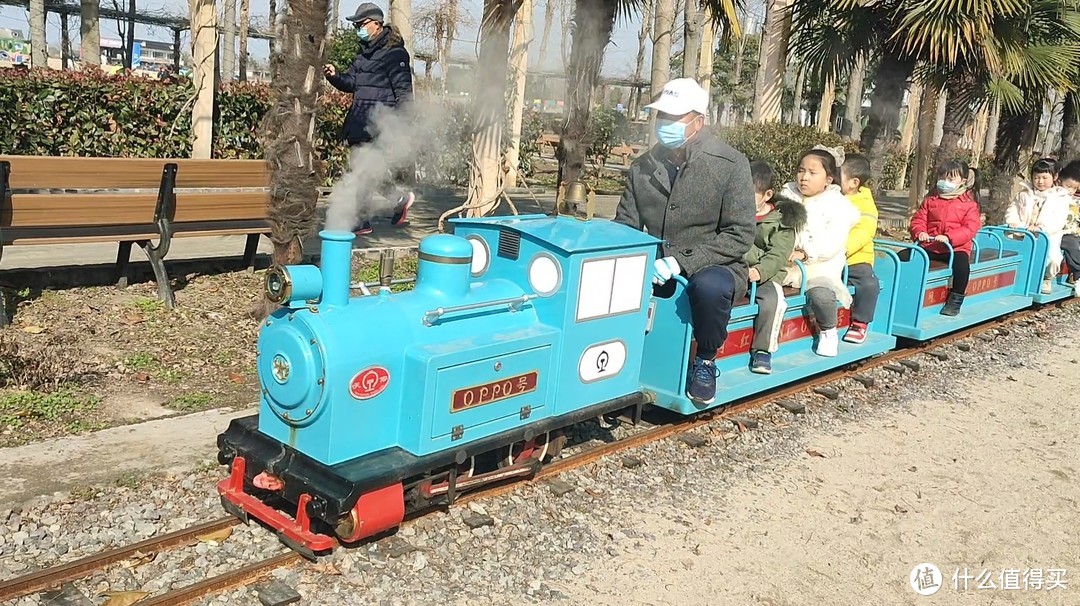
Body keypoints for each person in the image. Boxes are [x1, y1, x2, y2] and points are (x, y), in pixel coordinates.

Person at [613, 78, 756, 405]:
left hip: (715, 263)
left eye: (673, 117)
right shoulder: (643, 167)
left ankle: (705, 359)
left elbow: (740, 234)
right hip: (656, 263)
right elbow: (626, 224)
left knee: (709, 288)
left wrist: (682, 261)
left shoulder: (730, 165)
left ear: (697, 122)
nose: (664, 124)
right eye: (661, 115)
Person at [323, 2, 415, 236]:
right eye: (356, 26)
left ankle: (360, 221)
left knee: (363, 172)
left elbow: (404, 93)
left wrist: (401, 126)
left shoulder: (395, 54)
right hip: (359, 123)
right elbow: (351, 83)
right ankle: (399, 198)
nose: (358, 29)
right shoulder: (363, 56)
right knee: (365, 171)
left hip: (380, 125)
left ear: (376, 23)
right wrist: (335, 77)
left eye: (361, 24)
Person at [778, 147, 860, 357]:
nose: (804, 177)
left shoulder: (838, 206)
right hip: (782, 261)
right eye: (801, 170)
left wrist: (806, 253)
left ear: (828, 179)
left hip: (820, 266)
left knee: (821, 294)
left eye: (812, 173)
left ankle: (828, 331)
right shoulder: (785, 196)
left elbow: (832, 242)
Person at [745, 160, 806, 375]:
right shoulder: (732, 213)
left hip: (766, 274)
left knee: (773, 300)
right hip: (735, 268)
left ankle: (763, 350)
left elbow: (778, 254)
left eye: (749, 196)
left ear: (767, 195)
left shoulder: (782, 222)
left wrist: (760, 271)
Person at [907, 160, 982, 316]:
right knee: (905, 256)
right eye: (942, 178)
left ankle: (956, 299)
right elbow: (918, 219)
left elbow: (970, 228)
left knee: (962, 268)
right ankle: (903, 288)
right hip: (930, 245)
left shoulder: (969, 204)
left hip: (955, 248)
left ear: (962, 181)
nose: (944, 182)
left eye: (950, 179)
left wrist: (949, 237)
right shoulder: (930, 200)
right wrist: (920, 232)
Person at [1004, 158, 1071, 293]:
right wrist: (1013, 221)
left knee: (1052, 257)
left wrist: (1041, 227)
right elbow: (1013, 209)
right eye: (1036, 178)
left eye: (1044, 178)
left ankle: (1047, 278)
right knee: (1009, 250)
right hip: (1022, 232)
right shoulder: (1024, 194)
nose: (1040, 181)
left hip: (1047, 235)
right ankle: (1013, 277)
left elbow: (1058, 220)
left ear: (1055, 177)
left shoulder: (1060, 197)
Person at [838, 153, 880, 344]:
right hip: (826, 256)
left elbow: (863, 233)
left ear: (854, 183)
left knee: (868, 283)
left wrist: (841, 249)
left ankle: (860, 322)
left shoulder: (865, 205)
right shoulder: (831, 197)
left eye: (838, 176)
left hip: (854, 257)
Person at [1056, 160, 1080, 296]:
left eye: (1074, 188)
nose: (1071, 191)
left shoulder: (1074, 198)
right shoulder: (1054, 196)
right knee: (1072, 245)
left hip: (1073, 230)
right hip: (1061, 231)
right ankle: (1078, 275)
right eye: (1069, 186)